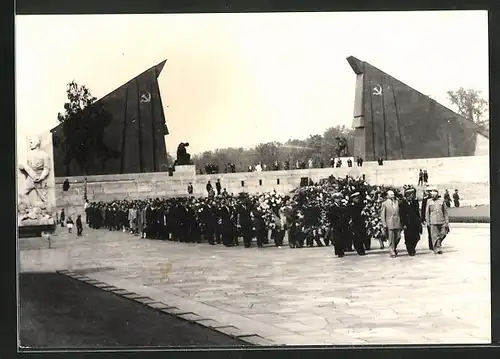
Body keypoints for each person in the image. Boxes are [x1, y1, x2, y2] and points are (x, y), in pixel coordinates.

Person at [425, 188, 449, 254]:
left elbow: (445, 212)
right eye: (431, 194)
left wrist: (447, 221)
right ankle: (437, 248)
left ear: (437, 194)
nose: (432, 195)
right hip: (433, 221)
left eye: (433, 194)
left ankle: (438, 244)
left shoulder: (441, 201)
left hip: (442, 221)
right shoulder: (429, 201)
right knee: (434, 236)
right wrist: (428, 221)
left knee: (443, 234)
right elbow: (427, 212)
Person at [399, 188, 422, 256]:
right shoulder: (402, 203)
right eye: (411, 194)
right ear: (407, 195)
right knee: (408, 237)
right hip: (407, 223)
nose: (412, 196)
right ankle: (410, 250)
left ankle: (413, 248)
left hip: (415, 222)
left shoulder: (415, 202)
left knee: (416, 237)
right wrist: (403, 224)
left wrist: (419, 220)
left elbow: (417, 212)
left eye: (413, 194)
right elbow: (401, 214)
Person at [380, 190, 402, 258]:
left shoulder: (397, 202)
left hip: (397, 222)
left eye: (393, 194)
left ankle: (394, 247)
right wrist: (384, 224)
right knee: (391, 238)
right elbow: (382, 214)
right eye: (391, 194)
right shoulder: (384, 203)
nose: (393, 196)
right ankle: (392, 251)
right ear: (387, 195)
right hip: (390, 222)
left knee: (398, 237)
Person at [421, 186, 434, 250]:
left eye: (430, 191)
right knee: (430, 232)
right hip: (428, 218)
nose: (429, 193)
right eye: (428, 191)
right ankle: (431, 245)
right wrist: (423, 219)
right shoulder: (425, 199)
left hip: (435, 217)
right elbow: (423, 209)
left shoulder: (435, 199)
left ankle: (435, 244)